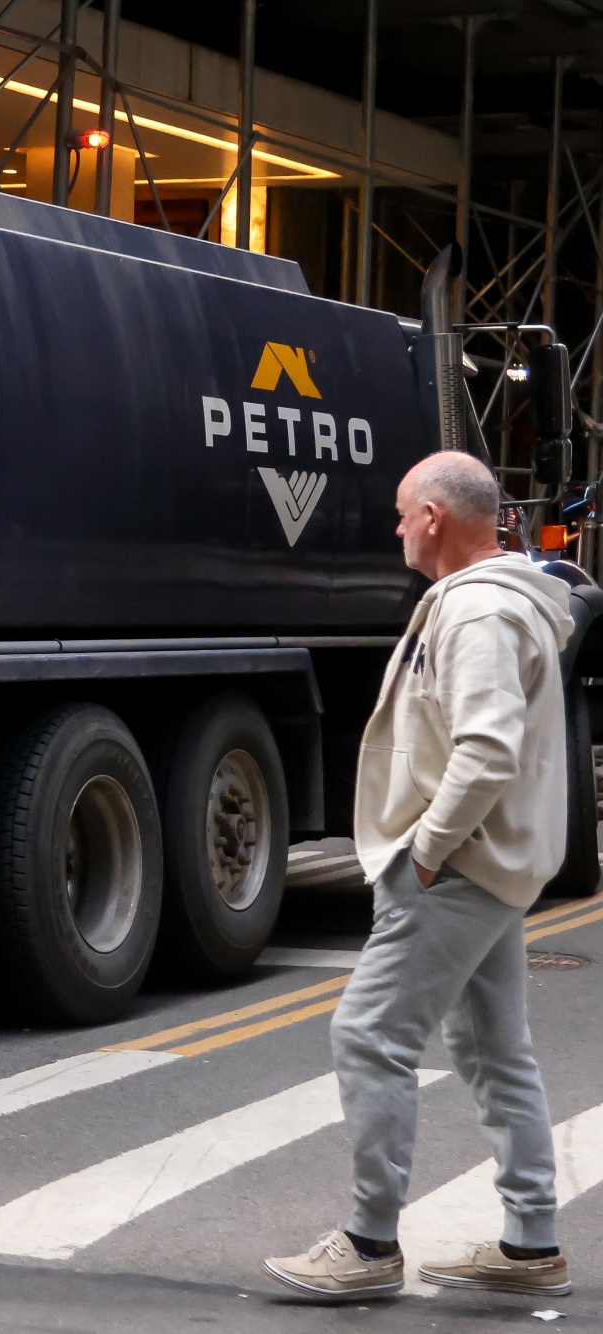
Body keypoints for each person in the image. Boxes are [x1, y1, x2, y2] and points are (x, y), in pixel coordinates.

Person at [266, 451, 576, 1300]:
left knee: (369, 1037)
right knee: (492, 1049)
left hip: (460, 866)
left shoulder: (475, 613)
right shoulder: (500, 602)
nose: (397, 527)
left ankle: (369, 1247)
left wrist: (429, 849)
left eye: (403, 513)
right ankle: (529, 1243)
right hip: (494, 861)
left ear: (436, 518)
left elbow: (486, 748)